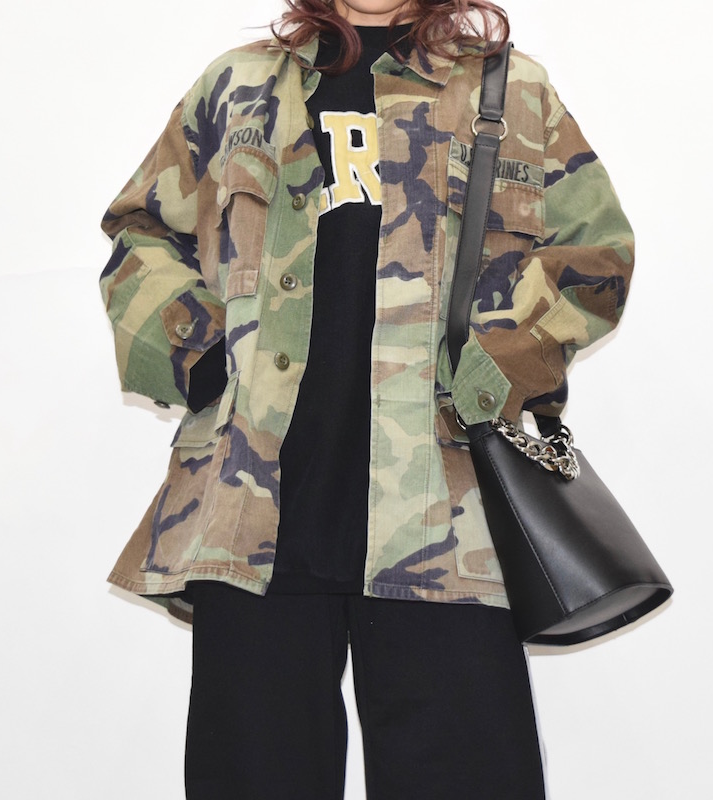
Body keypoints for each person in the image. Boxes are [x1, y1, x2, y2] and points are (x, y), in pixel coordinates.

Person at [98, 0, 634, 797]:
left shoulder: (510, 90)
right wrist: (202, 357)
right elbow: (139, 233)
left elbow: (596, 256)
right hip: (256, 518)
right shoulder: (237, 87)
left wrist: (495, 366)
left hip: (448, 522)